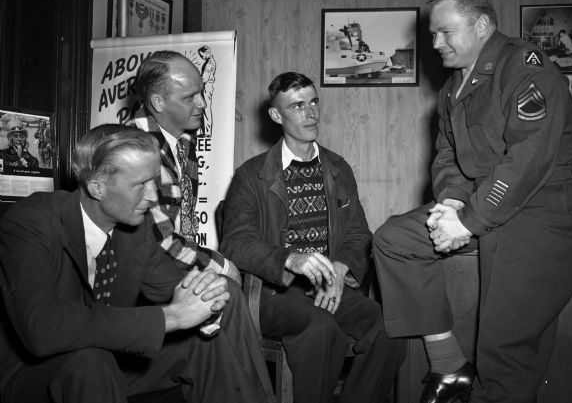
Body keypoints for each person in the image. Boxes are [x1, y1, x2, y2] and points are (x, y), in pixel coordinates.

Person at [373, 0, 572, 403]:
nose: (435, 43)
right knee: (392, 240)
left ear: (481, 27)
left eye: (445, 32)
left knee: (504, 350)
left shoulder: (526, 66)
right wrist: (453, 202)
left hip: (547, 208)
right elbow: (447, 156)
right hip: (486, 203)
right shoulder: (452, 88)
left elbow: (530, 158)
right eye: (432, 33)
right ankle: (448, 363)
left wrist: (469, 220)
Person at [0, 124, 275, 403]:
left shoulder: (137, 229)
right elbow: (42, 328)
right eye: (139, 185)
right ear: (97, 187)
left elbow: (174, 288)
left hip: (111, 361)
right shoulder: (30, 221)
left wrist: (205, 300)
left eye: (153, 182)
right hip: (38, 374)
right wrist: (173, 316)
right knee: (90, 361)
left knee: (202, 342)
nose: (153, 197)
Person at [220, 72, 406, 403]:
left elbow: (359, 235)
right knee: (322, 331)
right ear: (277, 116)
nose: (311, 113)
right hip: (274, 293)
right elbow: (236, 243)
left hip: (329, 287)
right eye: (297, 106)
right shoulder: (251, 175)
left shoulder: (338, 168)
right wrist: (290, 259)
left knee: (389, 327)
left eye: (314, 102)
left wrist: (340, 270)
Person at [132, 50, 240, 282]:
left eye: (201, 91)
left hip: (176, 263)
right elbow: (161, 241)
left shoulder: (183, 140)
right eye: (189, 97)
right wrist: (222, 267)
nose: (202, 102)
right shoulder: (136, 151)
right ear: (158, 102)